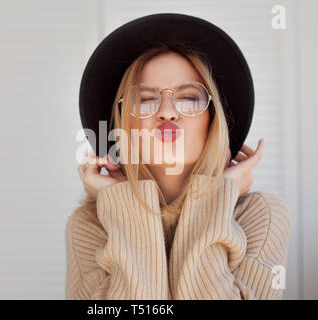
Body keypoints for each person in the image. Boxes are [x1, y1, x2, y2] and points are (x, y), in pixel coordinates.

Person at [66, 14, 291, 300]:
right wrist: (123, 205)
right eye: (145, 99)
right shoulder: (88, 225)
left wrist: (213, 199)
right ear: (123, 124)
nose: (168, 111)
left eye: (188, 97)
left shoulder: (260, 215)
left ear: (213, 120)